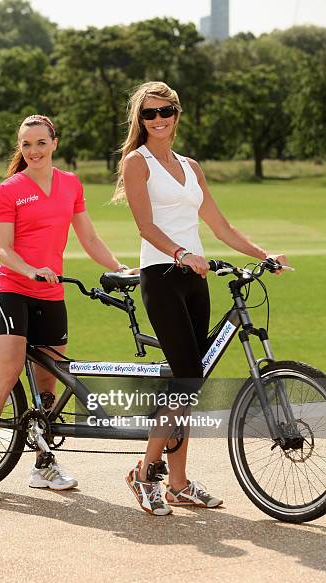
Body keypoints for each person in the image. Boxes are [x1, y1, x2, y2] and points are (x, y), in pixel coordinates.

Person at [116, 82, 288, 516]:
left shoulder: (191, 166)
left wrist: (263, 254)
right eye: (149, 113)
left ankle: (177, 484)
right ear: (141, 120)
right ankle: (144, 472)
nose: (158, 119)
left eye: (165, 111)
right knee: (187, 377)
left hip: (195, 279)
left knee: (191, 381)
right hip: (163, 274)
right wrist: (181, 254)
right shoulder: (137, 162)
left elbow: (221, 226)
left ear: (177, 113)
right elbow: (145, 226)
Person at [0, 114, 128, 503]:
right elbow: (4, 250)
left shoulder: (70, 184)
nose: (34, 151)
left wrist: (120, 268)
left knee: (48, 382)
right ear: (20, 149)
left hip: (50, 293)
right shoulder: (9, 189)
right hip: (11, 289)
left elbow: (88, 236)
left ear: (54, 142)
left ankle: (43, 464)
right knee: (6, 374)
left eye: (41, 142)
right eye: (26, 144)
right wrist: (31, 269)